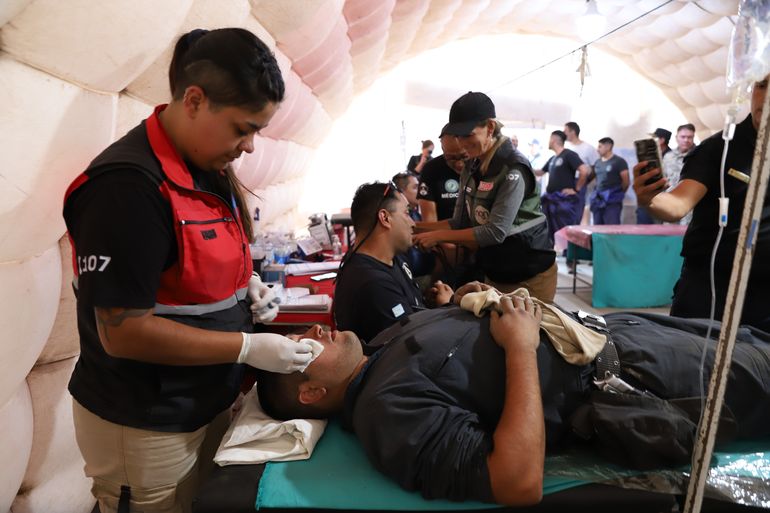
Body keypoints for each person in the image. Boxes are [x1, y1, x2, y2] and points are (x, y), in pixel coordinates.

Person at [62, 28, 315, 513]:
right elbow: (124, 333)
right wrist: (248, 347)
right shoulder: (127, 189)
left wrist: (248, 288)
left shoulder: (205, 169)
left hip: (205, 402)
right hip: (145, 419)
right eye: (243, 129)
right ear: (194, 100)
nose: (249, 147)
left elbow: (190, 269)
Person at [256, 295, 770, 506]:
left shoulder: (383, 344)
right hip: (642, 376)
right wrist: (521, 347)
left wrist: (468, 298)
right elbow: (516, 481)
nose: (315, 329)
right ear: (311, 392)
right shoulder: (385, 412)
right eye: (302, 347)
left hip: (621, 329)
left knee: (754, 336)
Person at [633, 74, 769, 332]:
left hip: (765, 297)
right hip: (711, 289)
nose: (767, 95)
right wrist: (650, 198)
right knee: (693, 367)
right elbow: (678, 204)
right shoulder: (719, 148)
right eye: (762, 85)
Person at [413, 92, 556, 301]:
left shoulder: (513, 168)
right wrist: (416, 228)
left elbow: (495, 231)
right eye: (458, 136)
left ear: (490, 127)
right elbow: (459, 221)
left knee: (527, 332)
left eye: (467, 135)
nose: (462, 144)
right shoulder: (471, 165)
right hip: (495, 271)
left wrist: (437, 236)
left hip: (529, 273)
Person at [333, 182, 431, 344]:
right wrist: (448, 308)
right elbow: (415, 346)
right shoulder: (372, 283)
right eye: (407, 213)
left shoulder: (394, 258)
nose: (413, 223)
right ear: (385, 218)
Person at [539, 130, 590, 242]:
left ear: (553, 139)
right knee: (549, 230)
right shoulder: (552, 159)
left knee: (566, 229)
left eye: (549, 139)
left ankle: (569, 256)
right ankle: (551, 255)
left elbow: (584, 171)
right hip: (551, 200)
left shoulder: (569, 155)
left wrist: (576, 189)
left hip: (563, 200)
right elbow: (540, 172)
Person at [417, 135, 468, 223]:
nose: (459, 164)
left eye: (464, 157)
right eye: (451, 158)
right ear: (443, 151)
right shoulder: (431, 169)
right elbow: (430, 221)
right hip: (443, 233)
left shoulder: (482, 165)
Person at [392, 172, 434, 278]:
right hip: (411, 276)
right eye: (415, 187)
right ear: (400, 192)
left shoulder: (416, 214)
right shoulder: (396, 220)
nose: (421, 192)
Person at [588, 137, 629, 225]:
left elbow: (626, 182)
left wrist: (618, 194)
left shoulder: (619, 162)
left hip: (612, 200)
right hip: (598, 199)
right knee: (597, 226)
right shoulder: (597, 162)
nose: (597, 150)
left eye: (600, 147)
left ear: (608, 147)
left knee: (612, 227)